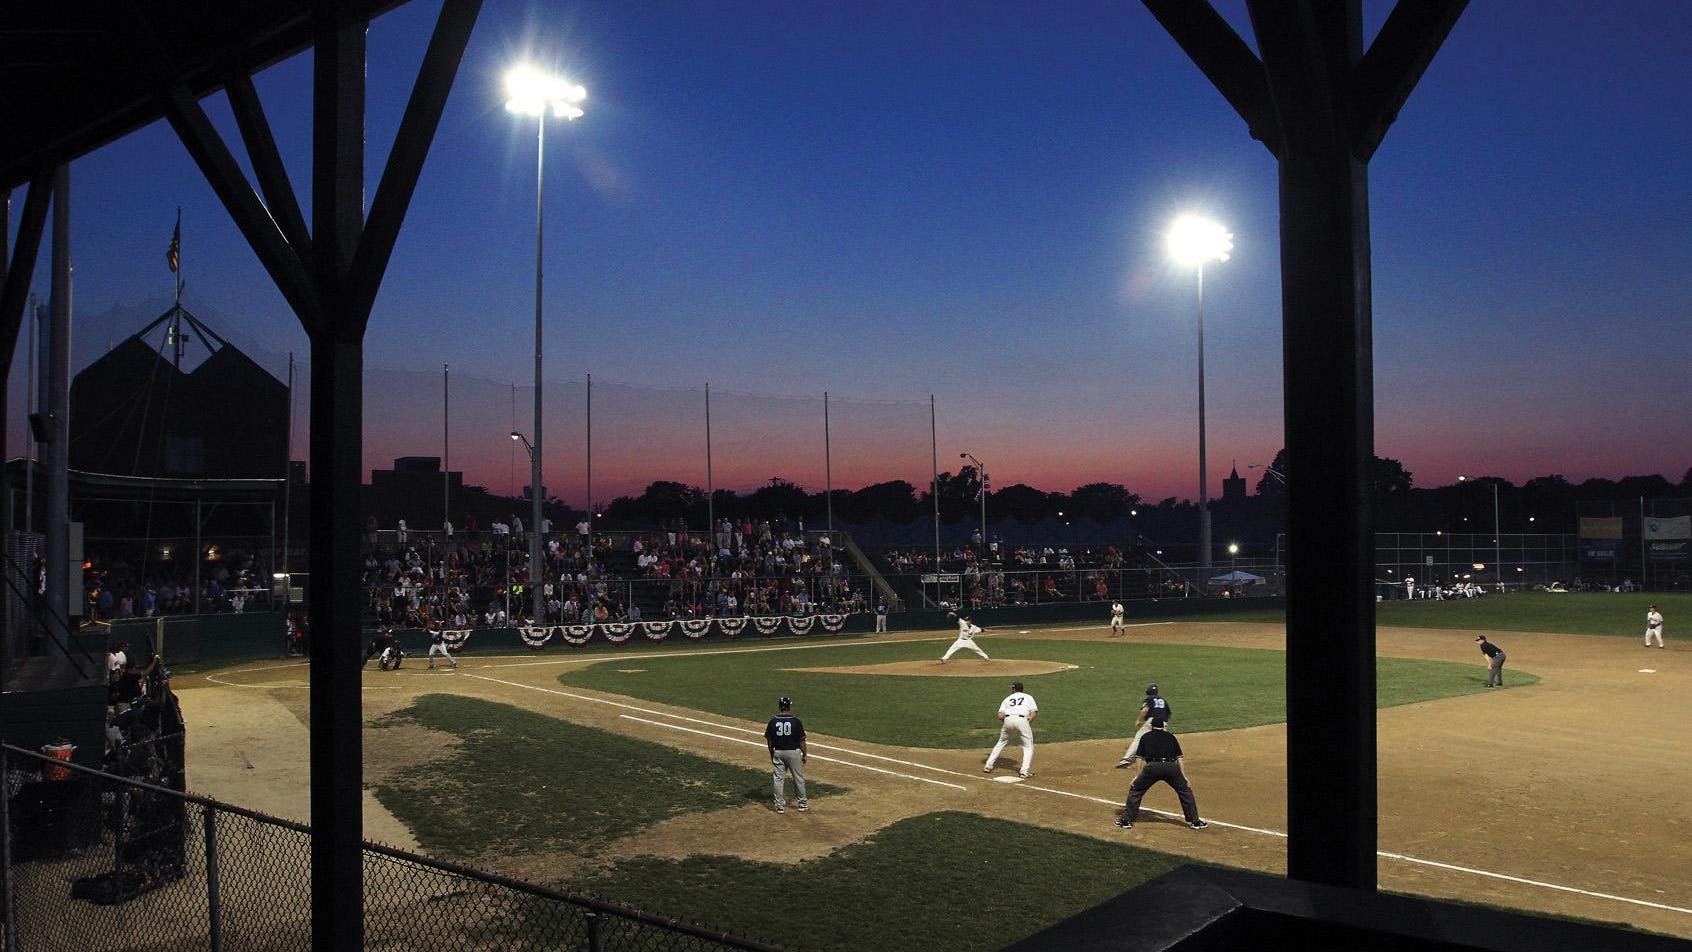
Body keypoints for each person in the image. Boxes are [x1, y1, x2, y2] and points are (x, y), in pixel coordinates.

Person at [1114, 718, 1207, 830]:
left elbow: (1139, 758)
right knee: (1185, 791)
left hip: (1152, 768)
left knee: (1136, 790)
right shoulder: (1171, 737)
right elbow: (1179, 758)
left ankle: (1126, 821)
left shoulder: (1145, 737)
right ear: (1163, 726)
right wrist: (1183, 776)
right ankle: (1195, 821)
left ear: (1151, 726)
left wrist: (1137, 776)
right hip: (1171, 768)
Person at [984, 680, 1037, 778]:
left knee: (1001, 742)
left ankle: (988, 766)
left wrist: (1008, 723)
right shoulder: (1028, 697)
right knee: (1028, 746)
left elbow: (1000, 716)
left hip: (1008, 719)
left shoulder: (1007, 698)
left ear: (1014, 689)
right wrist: (1027, 722)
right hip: (1022, 720)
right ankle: (1024, 772)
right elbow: (1033, 712)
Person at [764, 696, 808, 814]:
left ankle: (779, 806)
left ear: (780, 707)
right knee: (798, 778)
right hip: (793, 753)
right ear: (789, 706)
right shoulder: (796, 721)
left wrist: (771, 753)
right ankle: (802, 804)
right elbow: (802, 741)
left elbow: (769, 740)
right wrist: (805, 754)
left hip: (778, 752)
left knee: (778, 779)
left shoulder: (773, 721)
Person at [1117, 683, 1171, 767]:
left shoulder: (1148, 699)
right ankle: (1165, 760)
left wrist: (1139, 720)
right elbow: (1168, 713)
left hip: (1151, 721)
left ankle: (1126, 759)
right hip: (1162, 723)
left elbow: (1145, 710)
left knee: (1139, 738)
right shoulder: (1163, 700)